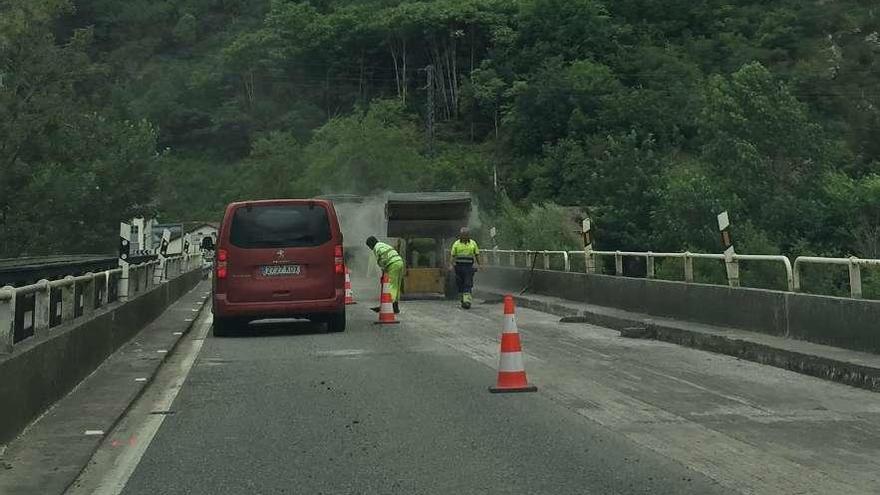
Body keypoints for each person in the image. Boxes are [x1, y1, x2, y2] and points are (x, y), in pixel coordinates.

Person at [365, 236, 404, 314]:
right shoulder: (383, 244)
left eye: (369, 246)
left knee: (390, 285)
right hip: (400, 262)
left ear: (371, 245)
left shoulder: (376, 248)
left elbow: (381, 260)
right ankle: (395, 307)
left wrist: (383, 272)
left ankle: (389, 305)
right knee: (397, 286)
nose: (370, 248)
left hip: (392, 264)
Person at [450, 227, 480, 309]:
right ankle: (462, 299)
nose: (464, 236)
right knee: (460, 284)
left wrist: (479, 265)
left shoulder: (473, 243)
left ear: (468, 235)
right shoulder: (456, 244)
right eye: (463, 235)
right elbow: (453, 256)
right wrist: (451, 265)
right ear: (460, 235)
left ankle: (467, 302)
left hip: (469, 267)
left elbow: (477, 254)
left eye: (466, 235)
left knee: (467, 284)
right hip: (459, 267)